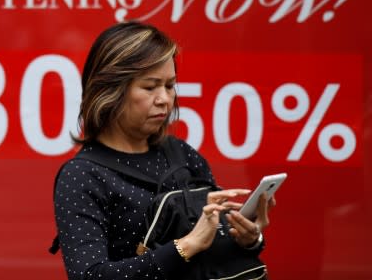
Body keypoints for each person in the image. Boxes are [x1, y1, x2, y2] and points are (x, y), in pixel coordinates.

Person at [53, 21, 275, 279]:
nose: (164, 99)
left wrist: (247, 238)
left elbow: (214, 256)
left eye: (170, 86)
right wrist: (186, 246)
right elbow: (88, 276)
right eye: (150, 87)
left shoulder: (183, 154)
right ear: (110, 90)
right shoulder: (82, 176)